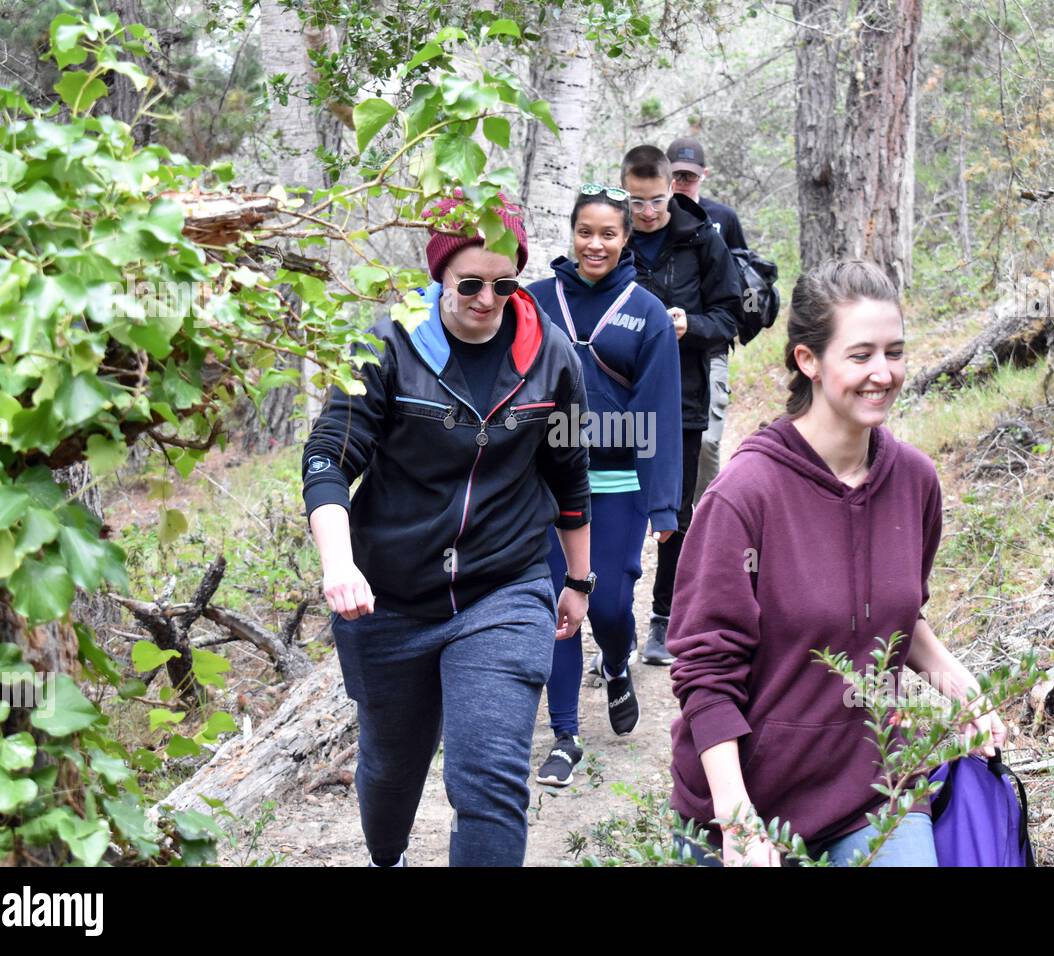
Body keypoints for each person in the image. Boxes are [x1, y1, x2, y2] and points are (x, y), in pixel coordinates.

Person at [667, 259, 1008, 867]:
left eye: (894, 352)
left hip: (871, 793)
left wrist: (963, 691)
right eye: (860, 355)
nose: (883, 373)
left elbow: (899, 615)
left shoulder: (914, 481)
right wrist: (737, 819)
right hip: (747, 803)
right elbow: (704, 675)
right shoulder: (744, 496)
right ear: (808, 361)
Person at [301, 194, 594, 867]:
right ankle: (387, 857)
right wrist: (339, 564)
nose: (487, 299)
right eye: (469, 283)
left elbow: (569, 473)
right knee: (390, 771)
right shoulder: (387, 343)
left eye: (504, 283)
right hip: (389, 595)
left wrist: (577, 578)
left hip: (504, 588)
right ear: (440, 276)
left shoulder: (552, 356)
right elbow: (327, 458)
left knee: (489, 781)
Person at [525, 184, 683, 786]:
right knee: (557, 605)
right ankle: (565, 735)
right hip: (546, 487)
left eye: (609, 234)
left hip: (619, 485)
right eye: (586, 231)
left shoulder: (647, 312)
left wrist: (665, 503)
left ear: (626, 240)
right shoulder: (535, 302)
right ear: (572, 233)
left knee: (611, 604)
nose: (596, 243)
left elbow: (660, 415)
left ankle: (616, 663)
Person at [619, 144, 742, 667]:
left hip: (683, 398)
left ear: (672, 189)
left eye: (655, 201)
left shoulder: (703, 239)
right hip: (616, 402)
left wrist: (690, 326)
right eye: (636, 202)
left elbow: (729, 317)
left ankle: (663, 620)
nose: (646, 212)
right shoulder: (610, 239)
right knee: (615, 507)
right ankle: (613, 621)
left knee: (674, 510)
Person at [666, 137, 747, 508]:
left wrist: (701, 325)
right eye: (676, 174)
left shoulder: (723, 220)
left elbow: (736, 284)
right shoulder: (652, 219)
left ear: (704, 176)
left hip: (709, 347)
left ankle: (706, 516)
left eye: (690, 176)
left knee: (708, 442)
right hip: (659, 354)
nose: (683, 182)